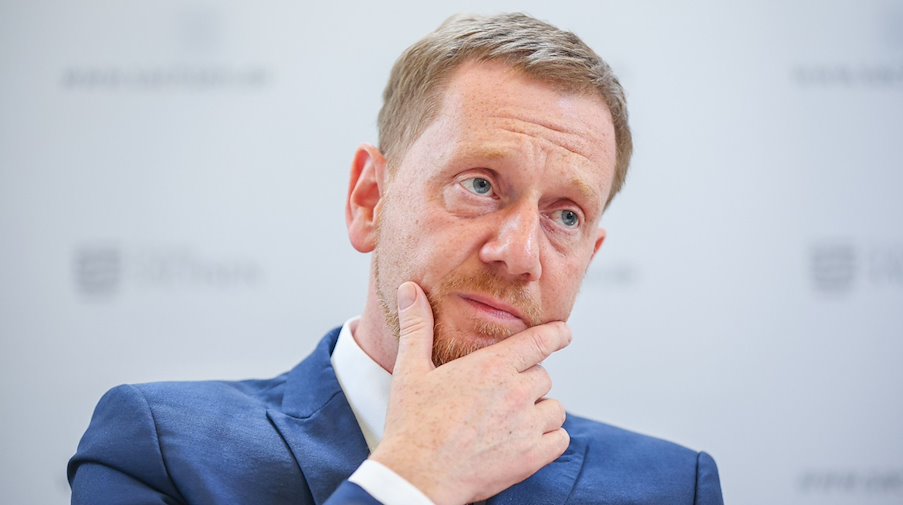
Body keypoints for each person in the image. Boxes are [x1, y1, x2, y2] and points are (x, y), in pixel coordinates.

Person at [68, 12, 724, 505]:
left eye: (565, 216)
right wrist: (409, 477)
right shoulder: (158, 448)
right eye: (480, 184)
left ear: (589, 253)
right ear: (369, 198)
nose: (520, 254)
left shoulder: (672, 485)